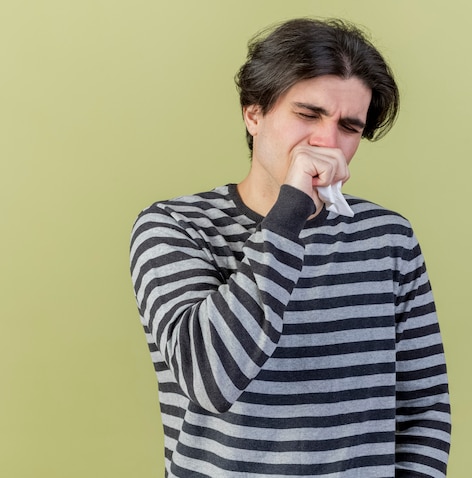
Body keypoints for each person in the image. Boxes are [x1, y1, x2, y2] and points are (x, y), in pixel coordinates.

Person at [130, 18, 451, 478]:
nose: (327, 141)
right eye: (308, 114)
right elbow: (211, 380)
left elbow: (424, 411)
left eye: (349, 126)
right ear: (254, 113)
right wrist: (290, 211)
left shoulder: (388, 239)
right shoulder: (175, 227)